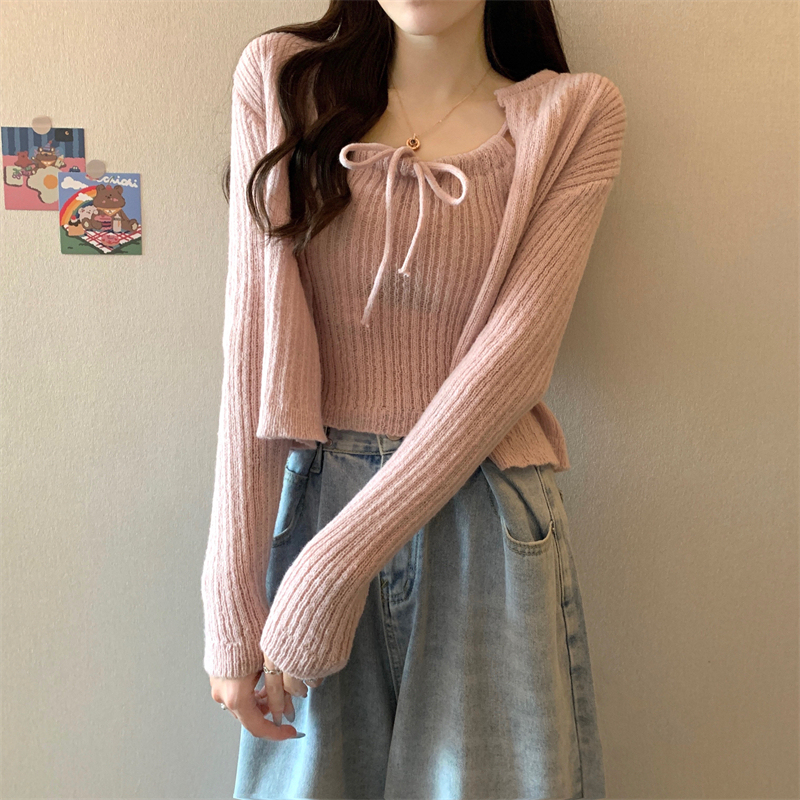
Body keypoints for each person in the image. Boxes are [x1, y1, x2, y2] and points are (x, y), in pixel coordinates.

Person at [202, 1, 626, 797]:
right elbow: (253, 349)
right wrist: (230, 601)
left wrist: (332, 571)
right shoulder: (281, 81)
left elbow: (516, 359)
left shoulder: (574, 114)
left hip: (485, 518)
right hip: (319, 497)